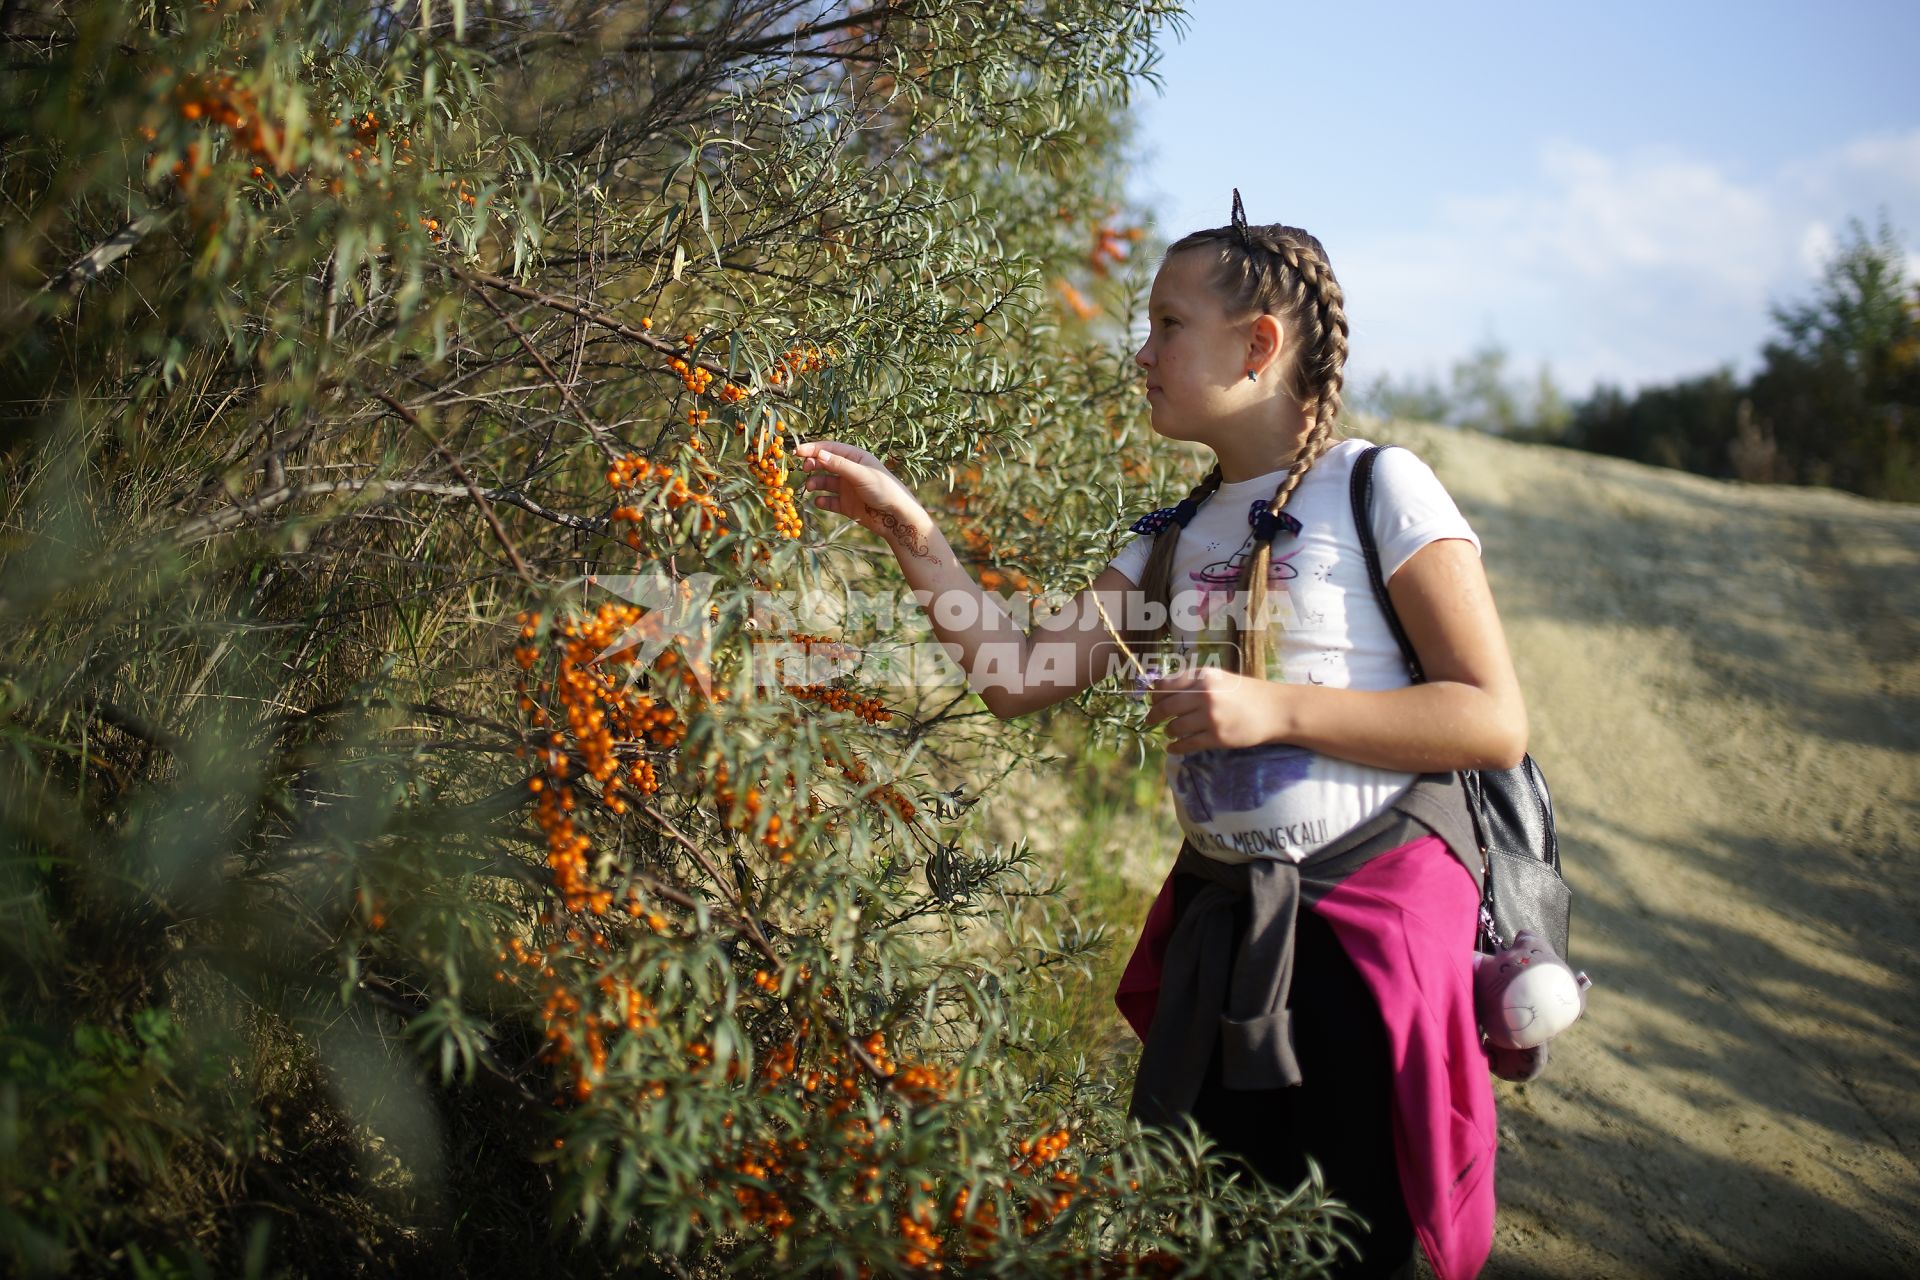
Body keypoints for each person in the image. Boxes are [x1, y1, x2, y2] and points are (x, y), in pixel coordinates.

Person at [793, 191, 1525, 1280]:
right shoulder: (1167, 538)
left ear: (1259, 344)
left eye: (1167, 323)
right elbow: (1017, 675)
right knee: (1209, 1242)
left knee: (1344, 1245)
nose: (1140, 351)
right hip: (1224, 936)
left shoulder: (1379, 487)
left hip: (1365, 948)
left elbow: (1491, 719)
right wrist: (912, 531)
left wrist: (1270, 706)